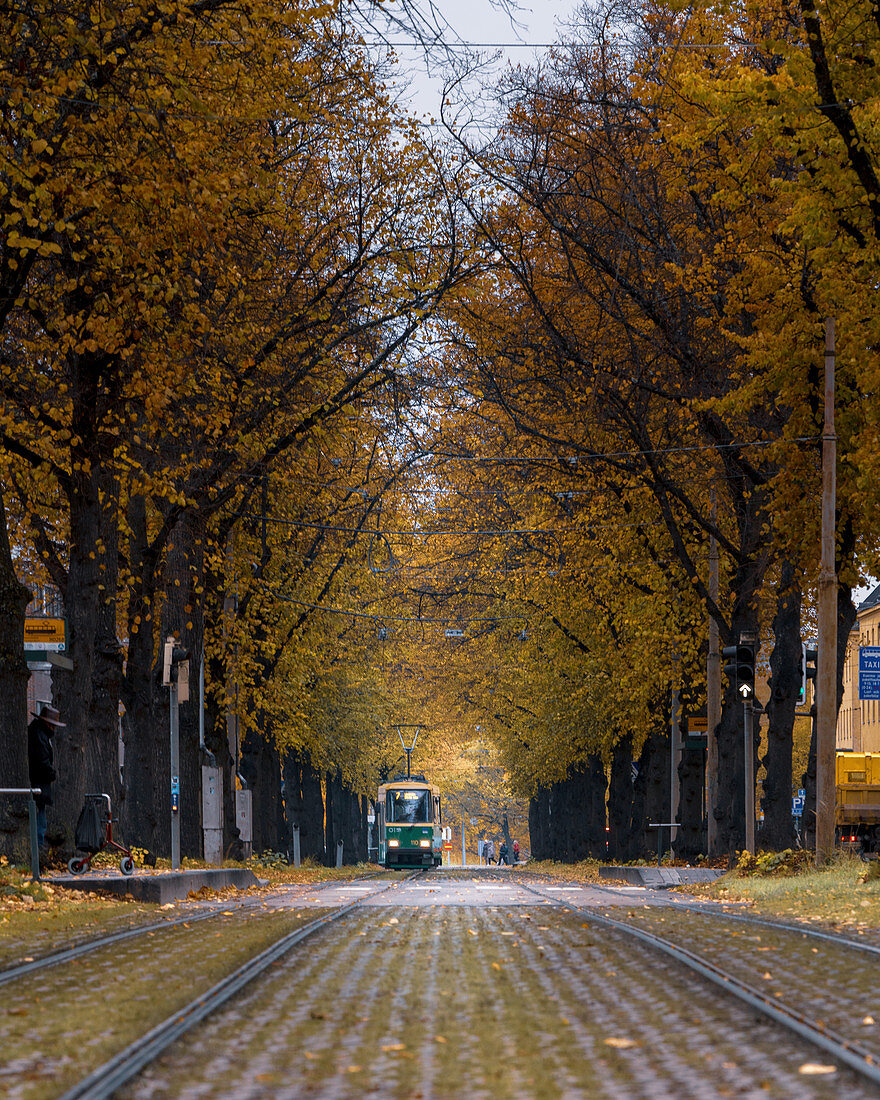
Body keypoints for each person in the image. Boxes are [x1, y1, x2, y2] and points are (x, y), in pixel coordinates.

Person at [27, 704, 64, 854]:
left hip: (38, 784)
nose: (54, 729)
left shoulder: (37, 733)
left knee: (40, 819)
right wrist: (52, 774)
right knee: (40, 822)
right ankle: (37, 851)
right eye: (53, 725)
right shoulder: (39, 736)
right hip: (38, 785)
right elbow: (42, 761)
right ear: (47, 723)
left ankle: (38, 849)